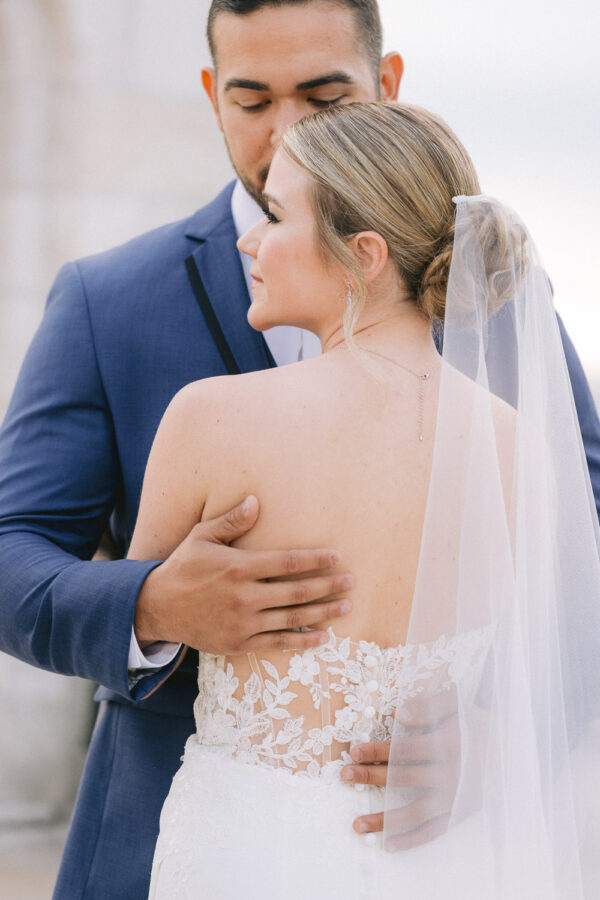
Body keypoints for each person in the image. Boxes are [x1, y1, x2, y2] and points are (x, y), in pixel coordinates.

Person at [0, 1, 596, 897]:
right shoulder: (106, 298)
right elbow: (11, 548)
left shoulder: (498, 306)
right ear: (211, 95)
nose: (285, 129)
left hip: (429, 833)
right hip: (171, 831)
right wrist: (150, 602)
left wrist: (497, 726)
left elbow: (581, 547)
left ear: (384, 87)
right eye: (252, 100)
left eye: (323, 95)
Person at [138, 100, 600, 899]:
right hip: (445, 853)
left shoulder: (212, 419)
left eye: (277, 214)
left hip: (249, 850)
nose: (248, 237)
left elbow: (134, 626)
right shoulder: (518, 449)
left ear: (365, 253)